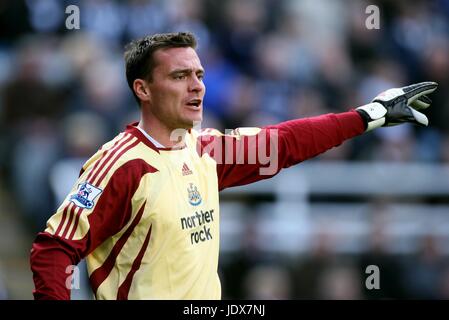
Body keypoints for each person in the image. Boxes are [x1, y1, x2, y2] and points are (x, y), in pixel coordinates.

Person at [29, 31, 437, 300]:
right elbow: (53, 251)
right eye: (180, 76)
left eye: (200, 74)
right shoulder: (120, 165)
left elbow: (287, 142)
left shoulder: (207, 151)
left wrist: (369, 115)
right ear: (143, 89)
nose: (197, 86)